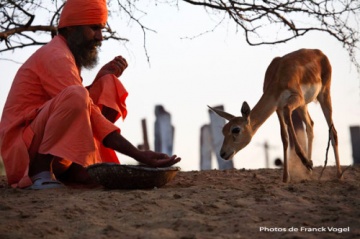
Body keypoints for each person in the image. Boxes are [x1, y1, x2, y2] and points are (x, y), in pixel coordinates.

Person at [0, 0, 180, 189]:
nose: (100, 37)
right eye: (94, 28)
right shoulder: (56, 56)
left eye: (101, 29)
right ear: (71, 29)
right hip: (22, 153)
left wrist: (98, 80)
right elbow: (82, 105)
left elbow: (80, 105)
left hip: (46, 142)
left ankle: (81, 166)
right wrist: (139, 154)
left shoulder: (67, 55)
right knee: (77, 95)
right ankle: (39, 174)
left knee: (107, 84)